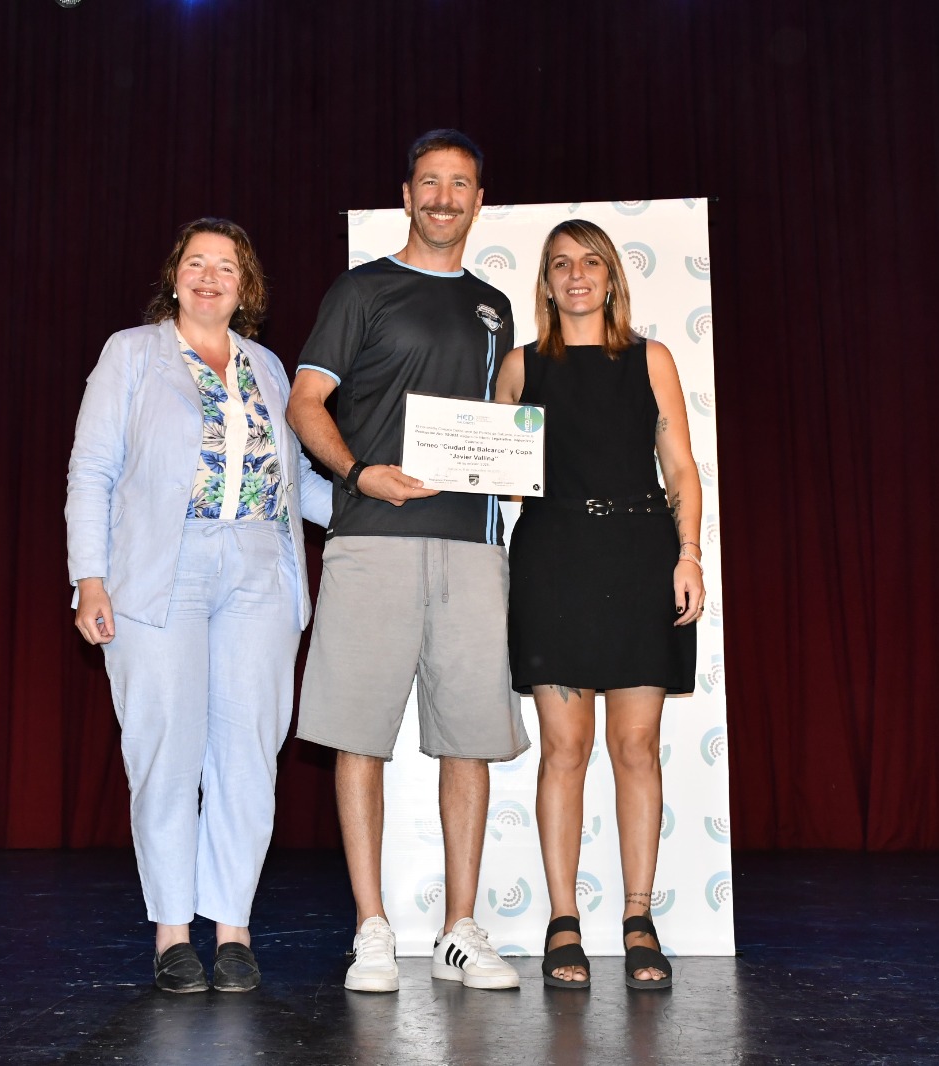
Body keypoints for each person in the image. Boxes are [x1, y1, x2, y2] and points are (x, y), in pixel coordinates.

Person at [287, 130, 529, 993]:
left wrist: (521, 463)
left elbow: (505, 421)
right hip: (371, 540)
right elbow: (306, 403)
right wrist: (360, 474)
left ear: (478, 201)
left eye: (459, 184)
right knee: (361, 736)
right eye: (430, 182)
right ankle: (373, 928)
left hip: (473, 547)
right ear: (407, 194)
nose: (443, 197)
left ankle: (460, 929)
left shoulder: (496, 306)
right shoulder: (361, 290)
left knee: (469, 739)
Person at [66, 218, 333, 993]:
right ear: (175, 277)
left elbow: (296, 484)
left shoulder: (269, 367)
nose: (210, 276)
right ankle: (174, 933)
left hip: (259, 566)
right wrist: (90, 578)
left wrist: (381, 499)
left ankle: (234, 929)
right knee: (166, 751)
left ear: (247, 288)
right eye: (197, 263)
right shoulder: (131, 354)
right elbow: (92, 470)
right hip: (162, 566)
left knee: (248, 751)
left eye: (227, 266)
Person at [495, 219, 704, 991]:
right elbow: (496, 470)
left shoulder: (653, 359)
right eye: (560, 264)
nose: (576, 275)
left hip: (641, 560)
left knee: (637, 747)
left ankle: (639, 919)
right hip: (553, 562)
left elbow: (681, 468)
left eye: (590, 262)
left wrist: (689, 555)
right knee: (564, 751)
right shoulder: (519, 367)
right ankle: (563, 922)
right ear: (546, 283)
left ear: (612, 276)